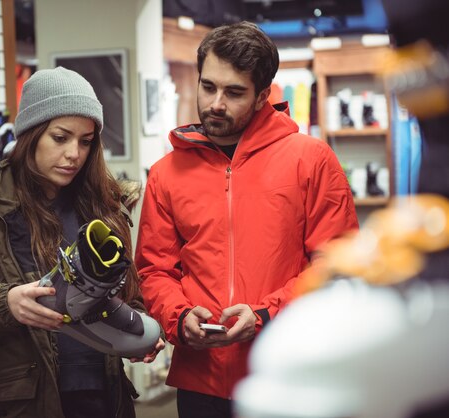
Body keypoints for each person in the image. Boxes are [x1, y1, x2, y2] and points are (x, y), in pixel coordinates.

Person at [135, 21, 359, 418]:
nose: (215, 103)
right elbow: (154, 270)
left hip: (290, 373)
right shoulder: (167, 173)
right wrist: (179, 316)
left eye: (234, 92)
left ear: (261, 97)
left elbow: (337, 265)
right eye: (208, 87)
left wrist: (267, 315)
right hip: (200, 381)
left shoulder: (311, 160)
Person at [0, 66, 163, 418]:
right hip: (13, 407)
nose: (74, 153)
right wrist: (6, 305)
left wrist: (138, 338)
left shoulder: (105, 207)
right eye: (60, 137)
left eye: (86, 141)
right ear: (31, 133)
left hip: (101, 401)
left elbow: (128, 299)